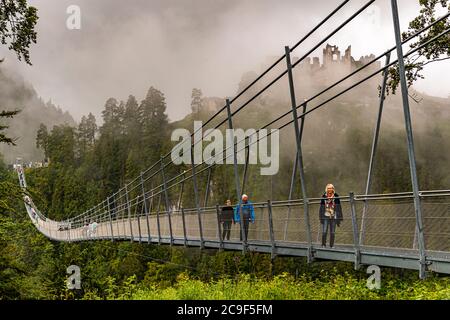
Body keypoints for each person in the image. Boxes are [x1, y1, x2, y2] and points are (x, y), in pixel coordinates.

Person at [319, 184, 343, 248]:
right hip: (325, 215)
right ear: (326, 189)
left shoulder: (336, 196)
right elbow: (321, 208)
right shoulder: (324, 196)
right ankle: (323, 244)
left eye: (331, 188)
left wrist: (339, 216)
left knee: (332, 232)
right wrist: (320, 216)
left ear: (333, 189)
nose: (330, 189)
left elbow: (339, 207)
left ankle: (331, 245)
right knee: (324, 231)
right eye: (329, 188)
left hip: (333, 215)